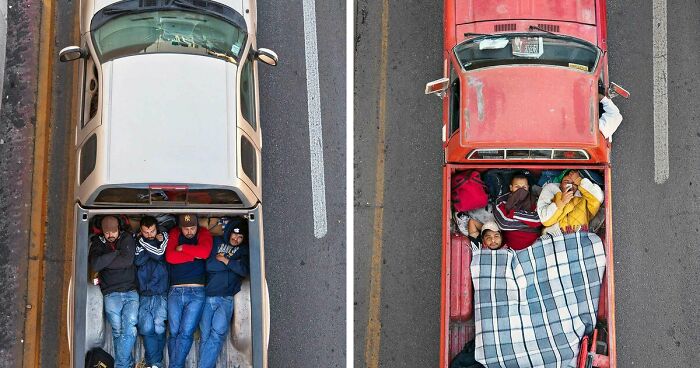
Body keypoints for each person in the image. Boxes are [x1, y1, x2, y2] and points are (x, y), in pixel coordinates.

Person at [199, 218, 251, 368]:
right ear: (229, 233)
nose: (236, 239)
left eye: (240, 237)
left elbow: (244, 270)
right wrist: (232, 265)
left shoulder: (244, 250)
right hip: (209, 295)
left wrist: (226, 261)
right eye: (234, 236)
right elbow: (209, 265)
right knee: (205, 336)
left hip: (226, 298)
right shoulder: (216, 242)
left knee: (217, 335)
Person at [88, 216, 138, 368]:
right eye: (107, 233)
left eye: (113, 232)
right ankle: (127, 364)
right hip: (110, 293)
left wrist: (106, 262)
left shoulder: (126, 238)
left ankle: (121, 365)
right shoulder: (98, 242)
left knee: (129, 327)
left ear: (119, 229)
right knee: (117, 331)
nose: (110, 235)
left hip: (130, 291)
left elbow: (127, 261)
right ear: (103, 232)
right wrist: (115, 253)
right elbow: (96, 264)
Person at [165, 214, 213, 368]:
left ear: (197, 226)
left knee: (185, 332)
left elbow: (205, 253)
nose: (189, 231)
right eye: (186, 229)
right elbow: (171, 257)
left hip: (196, 291)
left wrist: (183, 248)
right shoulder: (175, 233)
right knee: (173, 332)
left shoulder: (203, 233)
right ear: (181, 227)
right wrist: (194, 255)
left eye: (192, 228)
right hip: (175, 290)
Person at [134, 215, 169, 368]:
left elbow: (160, 254)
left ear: (157, 228)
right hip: (144, 291)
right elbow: (137, 260)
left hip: (161, 291)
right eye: (146, 232)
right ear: (141, 231)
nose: (149, 235)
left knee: (159, 326)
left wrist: (144, 244)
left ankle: (153, 363)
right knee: (146, 328)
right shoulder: (138, 241)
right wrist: (152, 247)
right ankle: (155, 364)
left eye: (152, 231)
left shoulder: (164, 236)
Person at [537, 169, 604, 235]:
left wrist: (579, 180)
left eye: (574, 183)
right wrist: (561, 202)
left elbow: (599, 197)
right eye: (566, 181)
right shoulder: (551, 189)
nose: (570, 185)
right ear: (560, 184)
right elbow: (545, 219)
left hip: (579, 237)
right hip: (555, 237)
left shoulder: (584, 198)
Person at [492, 173, 542, 250]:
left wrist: (513, 214)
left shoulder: (535, 200)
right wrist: (530, 223)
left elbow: (538, 219)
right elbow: (504, 224)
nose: (521, 190)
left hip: (535, 245)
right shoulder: (501, 201)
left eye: (524, 187)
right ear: (511, 187)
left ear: (528, 187)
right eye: (517, 187)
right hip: (509, 247)